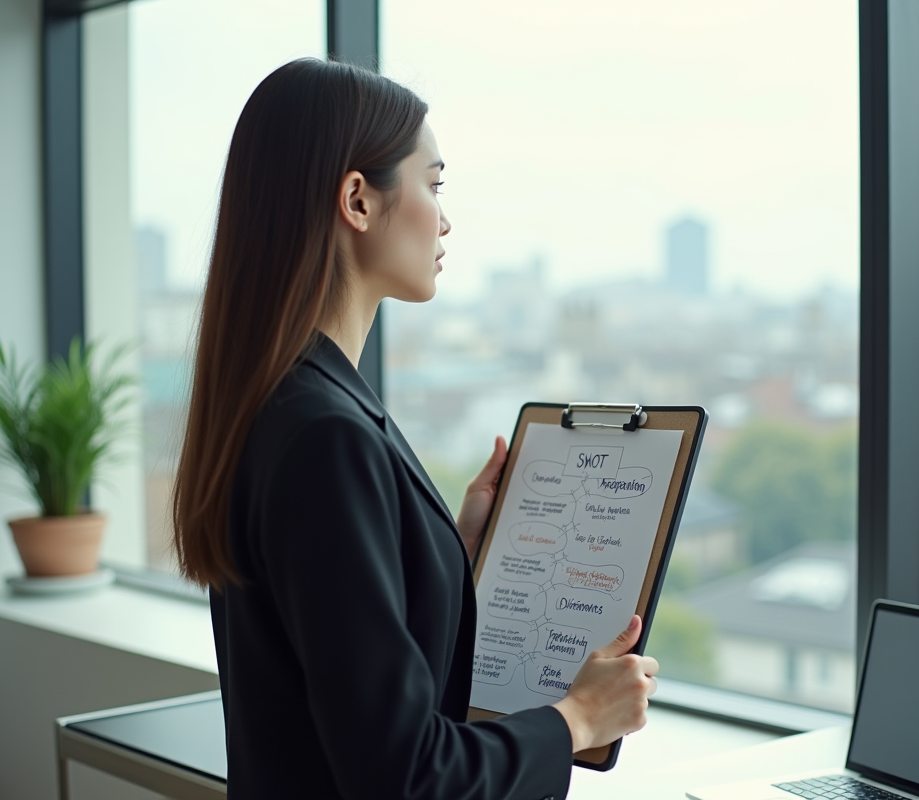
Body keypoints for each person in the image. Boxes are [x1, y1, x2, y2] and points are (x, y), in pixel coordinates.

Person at [172, 58, 659, 800]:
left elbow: (332, 630)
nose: (445, 216)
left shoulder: (280, 402)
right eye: (433, 185)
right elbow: (404, 775)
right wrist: (578, 720)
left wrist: (452, 548)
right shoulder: (325, 437)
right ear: (358, 201)